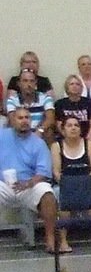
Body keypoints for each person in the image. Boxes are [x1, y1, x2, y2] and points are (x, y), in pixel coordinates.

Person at [0, 107, 59, 253]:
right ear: (13, 120)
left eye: (27, 118)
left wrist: (29, 183)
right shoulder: (2, 136)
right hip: (3, 185)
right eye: (20, 118)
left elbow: (43, 172)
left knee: (47, 194)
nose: (24, 121)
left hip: (29, 184)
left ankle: (50, 240)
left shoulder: (38, 143)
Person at [51, 116, 91, 253]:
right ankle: (63, 241)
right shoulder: (56, 146)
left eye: (76, 125)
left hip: (87, 184)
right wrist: (70, 184)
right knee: (60, 195)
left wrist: (81, 184)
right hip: (65, 185)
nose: (73, 128)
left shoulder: (90, 145)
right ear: (63, 130)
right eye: (69, 125)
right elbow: (56, 172)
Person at [7, 68, 56, 144]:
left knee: (49, 132)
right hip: (21, 132)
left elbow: (50, 119)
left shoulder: (45, 98)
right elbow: (13, 121)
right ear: (19, 84)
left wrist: (40, 130)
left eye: (31, 81)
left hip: (39, 134)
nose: (28, 84)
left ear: (35, 83)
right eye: (25, 81)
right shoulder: (12, 100)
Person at [53, 74, 91, 142]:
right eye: (71, 84)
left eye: (77, 84)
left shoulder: (88, 102)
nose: (74, 86)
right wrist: (68, 139)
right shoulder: (60, 104)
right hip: (66, 139)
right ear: (67, 87)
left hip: (87, 138)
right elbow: (59, 125)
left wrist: (88, 139)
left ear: (81, 88)